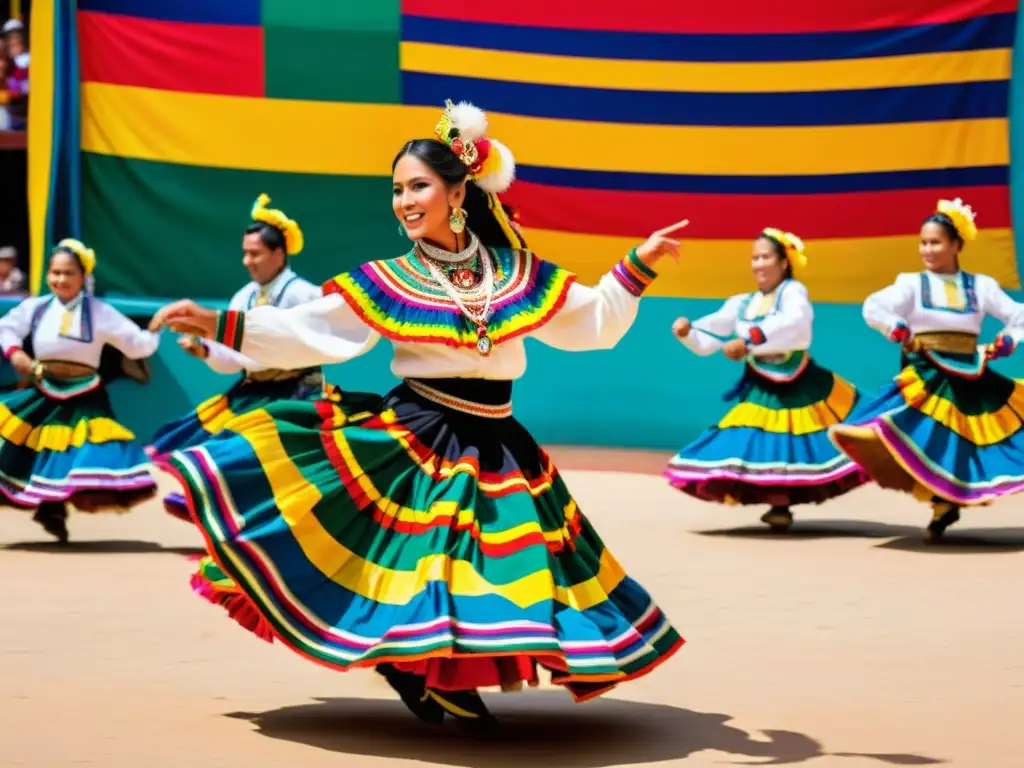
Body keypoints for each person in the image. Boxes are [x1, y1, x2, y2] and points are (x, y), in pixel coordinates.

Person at [149, 100, 685, 728]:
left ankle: (426, 669)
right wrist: (218, 322)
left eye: (418, 186)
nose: (404, 201)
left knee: (495, 566)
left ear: (459, 192)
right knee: (426, 561)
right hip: (419, 434)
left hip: (498, 441)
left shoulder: (515, 272)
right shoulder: (390, 278)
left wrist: (638, 265)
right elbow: (307, 331)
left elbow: (592, 321)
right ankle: (413, 667)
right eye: (397, 190)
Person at [829, 198, 1024, 541]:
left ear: (956, 245)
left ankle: (946, 502)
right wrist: (896, 327)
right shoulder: (911, 284)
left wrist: (1008, 339)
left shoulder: (981, 287)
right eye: (923, 242)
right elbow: (874, 305)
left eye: (935, 242)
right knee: (924, 437)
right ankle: (941, 503)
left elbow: (1017, 314)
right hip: (927, 375)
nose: (927, 249)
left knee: (967, 444)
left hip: (970, 374)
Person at [664, 229, 867, 529]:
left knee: (806, 438)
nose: (758, 264)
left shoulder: (793, 293)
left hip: (801, 381)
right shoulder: (742, 303)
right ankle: (779, 505)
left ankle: (782, 505)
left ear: (784, 262)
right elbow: (712, 335)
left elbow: (796, 326)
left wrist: (749, 341)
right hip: (761, 382)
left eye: (765, 257)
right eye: (754, 258)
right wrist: (687, 331)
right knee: (762, 439)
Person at [147, 195, 327, 522]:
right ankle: (217, 508)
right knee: (219, 446)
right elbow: (233, 359)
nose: (247, 261)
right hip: (251, 392)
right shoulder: (243, 297)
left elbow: (304, 348)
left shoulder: (305, 295)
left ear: (278, 253)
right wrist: (205, 350)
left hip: (297, 393)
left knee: (265, 459)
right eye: (244, 253)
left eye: (254, 253)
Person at [0, 239, 160, 543]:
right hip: (44, 388)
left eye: (68, 273)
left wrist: (155, 331)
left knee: (77, 452)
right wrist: (15, 353)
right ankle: (52, 509)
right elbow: (6, 327)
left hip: (85, 393)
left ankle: (54, 509)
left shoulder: (100, 312)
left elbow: (136, 344)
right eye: (55, 273)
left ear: (83, 275)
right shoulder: (36, 307)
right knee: (35, 448)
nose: (60, 279)